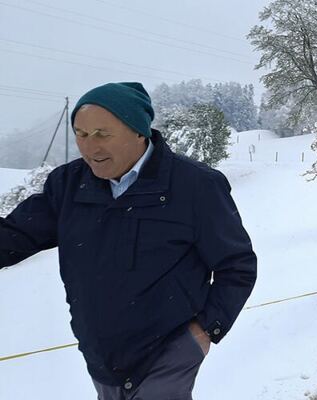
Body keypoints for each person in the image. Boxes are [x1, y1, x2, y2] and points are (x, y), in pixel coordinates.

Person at [0, 82, 258, 398]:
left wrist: (205, 330)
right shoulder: (67, 185)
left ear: (139, 132)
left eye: (102, 134)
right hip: (101, 356)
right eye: (80, 134)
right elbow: (14, 236)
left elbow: (237, 265)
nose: (89, 147)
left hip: (169, 351)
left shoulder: (195, 185)